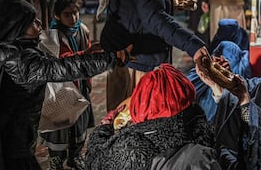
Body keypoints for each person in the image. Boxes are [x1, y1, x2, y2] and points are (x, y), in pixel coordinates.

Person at [0, 0, 127, 170]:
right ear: (16, 29)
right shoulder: (21, 61)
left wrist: (87, 54)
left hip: (9, 136)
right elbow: (64, 68)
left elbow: (58, 63)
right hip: (14, 144)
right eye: (32, 22)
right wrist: (111, 58)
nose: (40, 23)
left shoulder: (6, 48)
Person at [85, 63, 221, 170]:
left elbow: (93, 159)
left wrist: (105, 126)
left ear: (140, 103)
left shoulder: (129, 147)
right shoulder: (204, 136)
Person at [38, 0, 96, 170]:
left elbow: (89, 60)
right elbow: (61, 60)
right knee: (59, 127)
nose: (73, 18)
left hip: (80, 85)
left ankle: (75, 156)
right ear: (56, 16)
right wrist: (85, 53)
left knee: (79, 124)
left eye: (75, 13)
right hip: (61, 89)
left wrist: (88, 80)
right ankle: (56, 161)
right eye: (67, 14)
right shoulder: (51, 36)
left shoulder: (82, 30)